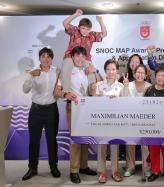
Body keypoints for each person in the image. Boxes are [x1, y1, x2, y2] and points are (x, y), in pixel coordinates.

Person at [55, 46, 97, 184]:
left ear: (85, 57)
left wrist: (94, 72)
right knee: (75, 140)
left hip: (88, 108)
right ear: (72, 57)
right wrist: (66, 94)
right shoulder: (66, 71)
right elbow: (56, 92)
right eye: (77, 55)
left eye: (82, 56)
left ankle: (83, 166)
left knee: (85, 139)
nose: (80, 58)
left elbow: (97, 87)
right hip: (73, 107)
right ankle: (74, 170)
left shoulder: (88, 70)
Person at [22, 47, 60, 181]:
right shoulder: (33, 72)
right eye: (43, 56)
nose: (46, 59)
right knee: (34, 141)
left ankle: (53, 166)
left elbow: (60, 88)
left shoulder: (57, 71)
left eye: (49, 57)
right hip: (36, 110)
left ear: (52, 59)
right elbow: (25, 90)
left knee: (52, 140)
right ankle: (32, 168)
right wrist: (32, 76)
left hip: (51, 109)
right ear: (39, 58)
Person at [92, 59, 124, 183]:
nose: (111, 72)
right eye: (108, 69)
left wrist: (117, 100)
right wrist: (98, 98)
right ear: (105, 71)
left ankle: (115, 171)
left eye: (113, 69)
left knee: (115, 147)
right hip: (101, 121)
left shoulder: (121, 86)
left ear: (117, 71)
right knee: (102, 147)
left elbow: (125, 105)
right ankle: (102, 172)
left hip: (116, 121)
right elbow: (93, 104)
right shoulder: (99, 85)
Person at [60, 8, 107, 94]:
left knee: (91, 72)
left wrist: (100, 21)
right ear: (79, 27)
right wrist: (76, 15)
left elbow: (104, 34)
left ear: (90, 29)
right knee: (66, 67)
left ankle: (91, 93)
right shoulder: (74, 31)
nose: (85, 31)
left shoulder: (92, 35)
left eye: (87, 29)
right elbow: (65, 23)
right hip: (70, 56)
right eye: (83, 28)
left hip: (86, 58)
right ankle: (66, 92)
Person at [144, 67, 164, 183]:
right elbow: (144, 106)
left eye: (163, 76)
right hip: (153, 125)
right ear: (155, 76)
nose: (160, 78)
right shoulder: (149, 90)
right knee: (153, 149)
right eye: (159, 75)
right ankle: (155, 171)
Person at [121, 64, 152, 177]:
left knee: (146, 144)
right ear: (134, 74)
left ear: (146, 75)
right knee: (130, 143)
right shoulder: (127, 84)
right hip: (130, 120)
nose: (140, 74)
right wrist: (124, 87)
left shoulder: (150, 86)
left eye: (142, 73)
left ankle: (146, 167)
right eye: (138, 72)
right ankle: (130, 166)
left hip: (145, 121)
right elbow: (123, 100)